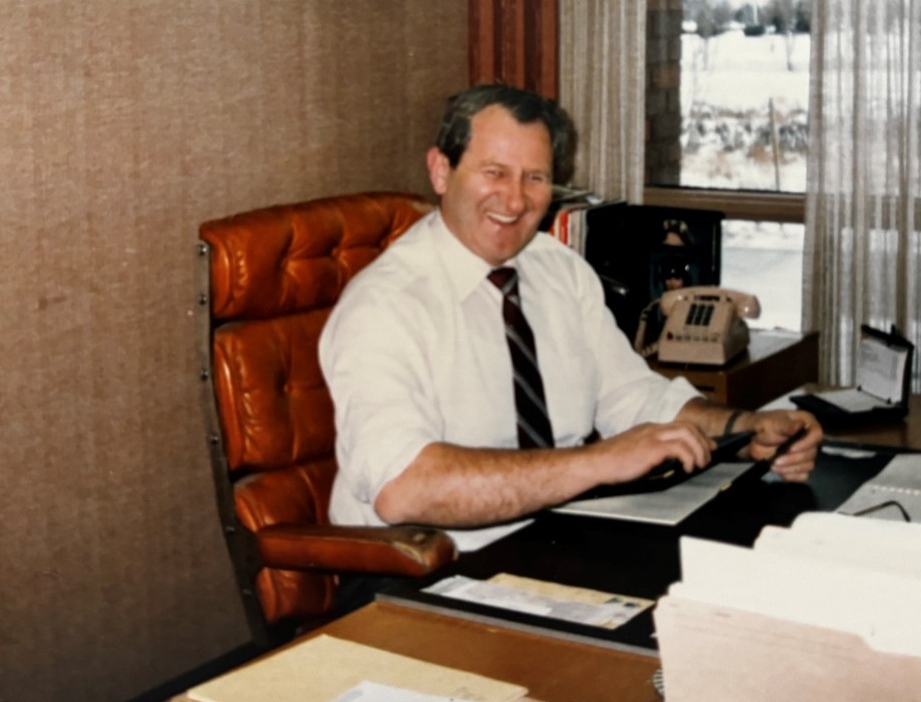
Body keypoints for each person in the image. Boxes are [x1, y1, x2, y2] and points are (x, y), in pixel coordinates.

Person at [320, 84, 822, 555]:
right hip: (429, 573)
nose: (515, 200)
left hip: (561, 541)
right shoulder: (383, 306)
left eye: (534, 178)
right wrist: (599, 462)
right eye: (494, 172)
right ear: (440, 171)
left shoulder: (556, 268)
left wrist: (745, 430)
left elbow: (633, 398)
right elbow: (404, 488)